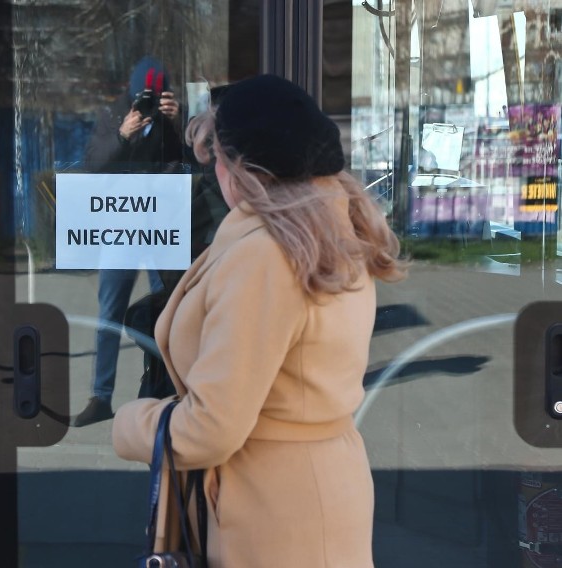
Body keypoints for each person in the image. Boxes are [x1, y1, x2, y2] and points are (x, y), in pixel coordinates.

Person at [112, 74, 406, 567]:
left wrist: (132, 424)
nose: (214, 174)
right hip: (316, 491)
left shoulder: (265, 255)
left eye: (216, 160)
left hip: (273, 510)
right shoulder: (329, 232)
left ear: (240, 169)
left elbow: (211, 427)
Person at [73, 56, 184, 427]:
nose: (149, 104)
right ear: (132, 92)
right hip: (120, 224)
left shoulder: (173, 119)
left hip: (163, 227)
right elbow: (93, 166)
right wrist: (122, 134)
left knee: (169, 312)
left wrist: (176, 123)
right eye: (145, 96)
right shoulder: (112, 116)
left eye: (157, 96)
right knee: (110, 314)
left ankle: (166, 388)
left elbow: (191, 162)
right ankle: (101, 397)